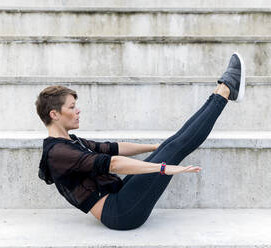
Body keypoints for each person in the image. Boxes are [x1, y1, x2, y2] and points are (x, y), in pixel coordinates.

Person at [35, 52, 245, 230]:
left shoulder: (69, 142)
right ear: (54, 114)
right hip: (121, 212)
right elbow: (113, 163)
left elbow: (113, 149)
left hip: (119, 200)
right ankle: (225, 90)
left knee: (173, 143)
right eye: (72, 107)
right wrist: (162, 168)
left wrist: (156, 147)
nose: (78, 110)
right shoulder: (57, 153)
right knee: (176, 147)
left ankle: (223, 90)